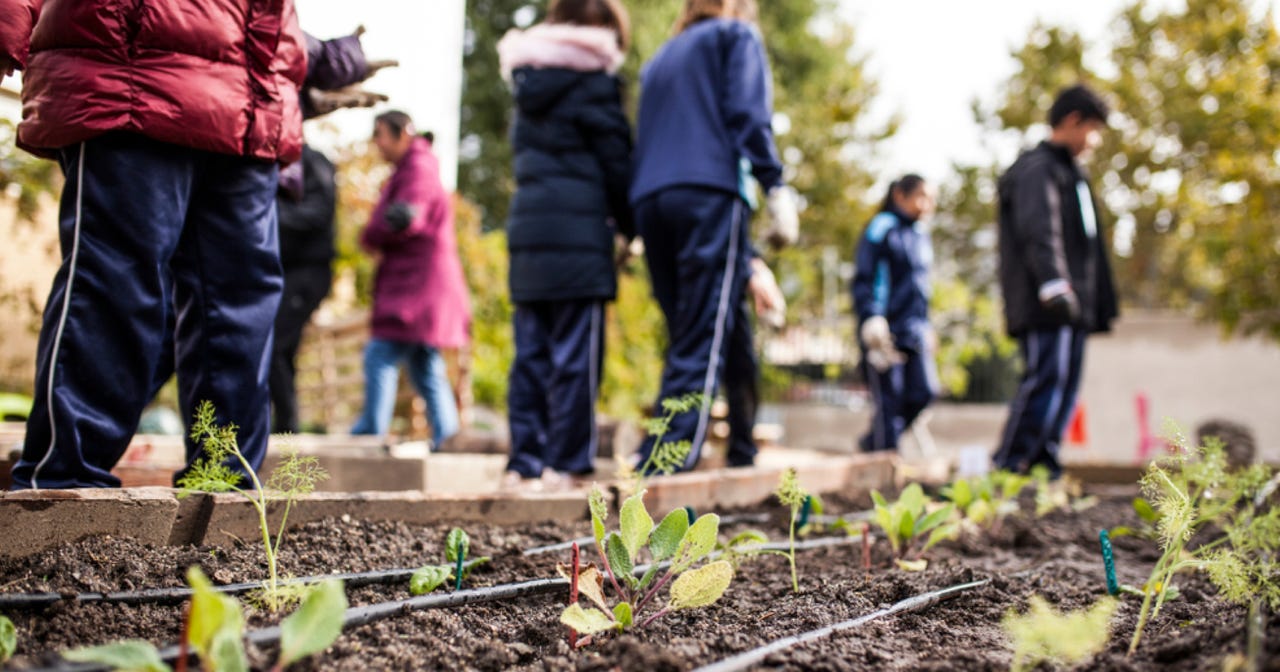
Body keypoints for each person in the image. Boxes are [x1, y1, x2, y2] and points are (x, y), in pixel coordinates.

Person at [1, 1, 375, 489]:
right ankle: (63, 486)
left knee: (238, 304)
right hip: (133, 74)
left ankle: (220, 486)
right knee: (119, 284)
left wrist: (304, 60)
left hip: (249, 105)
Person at [629, 0, 799, 474]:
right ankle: (663, 464)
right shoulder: (735, 36)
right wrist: (775, 183)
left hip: (651, 200)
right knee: (700, 334)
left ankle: (742, 446)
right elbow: (749, 113)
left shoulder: (661, 57)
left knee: (716, 325)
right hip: (709, 193)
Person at [495, 0, 634, 490]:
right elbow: (618, 166)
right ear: (601, 31)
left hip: (529, 232)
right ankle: (569, 464)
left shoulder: (527, 82)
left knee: (530, 352)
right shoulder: (596, 84)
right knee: (576, 355)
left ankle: (523, 463)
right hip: (579, 235)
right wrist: (632, 227)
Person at [993, 84, 1119, 477]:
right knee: (1045, 380)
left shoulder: (1071, 172)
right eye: (1093, 129)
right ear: (1072, 121)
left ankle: (1044, 464)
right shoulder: (1038, 168)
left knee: (1065, 388)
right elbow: (1039, 229)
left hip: (1073, 301)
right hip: (1047, 299)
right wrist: (1054, 283)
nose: (1095, 141)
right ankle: (1009, 465)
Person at [352, 112, 472, 449]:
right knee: (424, 362)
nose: (377, 142)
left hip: (416, 286)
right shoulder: (414, 167)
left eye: (381, 134)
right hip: (422, 283)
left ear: (402, 134)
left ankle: (370, 433)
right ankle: (447, 437)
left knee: (381, 352)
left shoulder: (417, 167)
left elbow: (407, 217)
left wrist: (381, 229)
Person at [852, 175, 940, 453]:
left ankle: (872, 444)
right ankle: (883, 460)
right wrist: (871, 316)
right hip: (884, 329)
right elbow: (866, 276)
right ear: (900, 195)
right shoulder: (882, 228)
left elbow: (921, 289)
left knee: (924, 391)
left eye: (931, 199)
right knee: (889, 399)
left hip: (914, 329)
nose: (927, 205)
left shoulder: (920, 235)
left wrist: (927, 327)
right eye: (921, 196)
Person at [271, 145, 338, 434]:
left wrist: (269, 212)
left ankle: (286, 427)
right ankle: (284, 425)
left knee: (273, 345)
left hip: (308, 271)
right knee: (282, 349)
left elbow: (320, 211)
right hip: (285, 270)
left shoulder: (312, 162)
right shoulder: (278, 161)